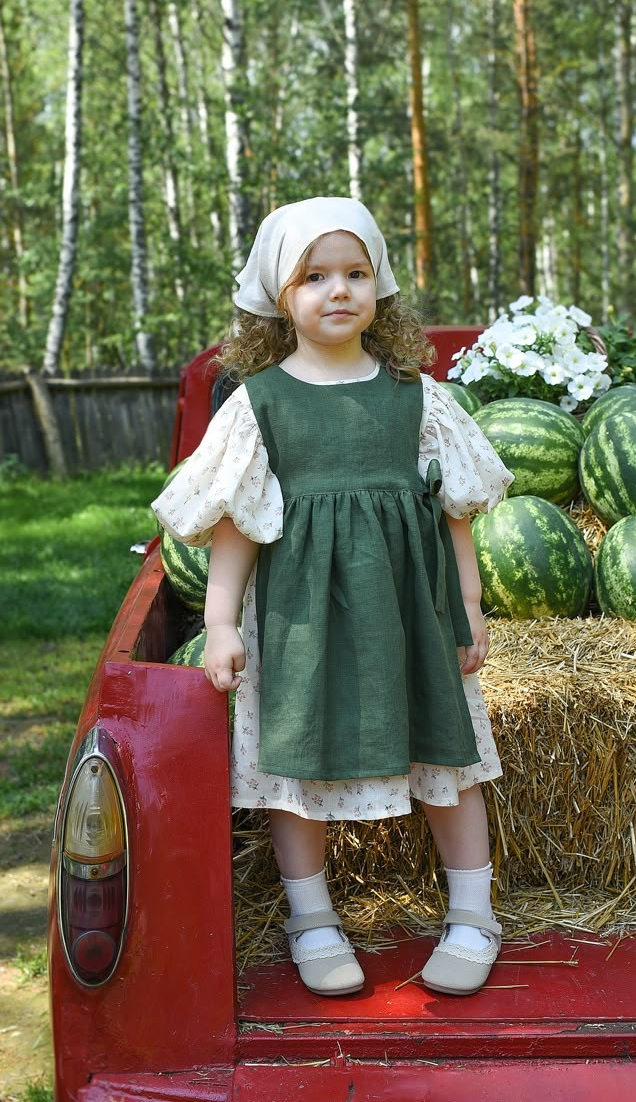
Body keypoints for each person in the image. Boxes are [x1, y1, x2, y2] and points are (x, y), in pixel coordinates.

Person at [152, 197, 513, 998]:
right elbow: (238, 524)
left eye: (355, 272)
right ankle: (311, 917)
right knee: (297, 762)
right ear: (280, 294)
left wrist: (471, 603)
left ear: (379, 285)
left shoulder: (415, 395)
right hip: (302, 617)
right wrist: (218, 622)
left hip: (410, 611)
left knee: (449, 755)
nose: (337, 290)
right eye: (314, 276)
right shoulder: (260, 403)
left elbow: (455, 510)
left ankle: (472, 912)